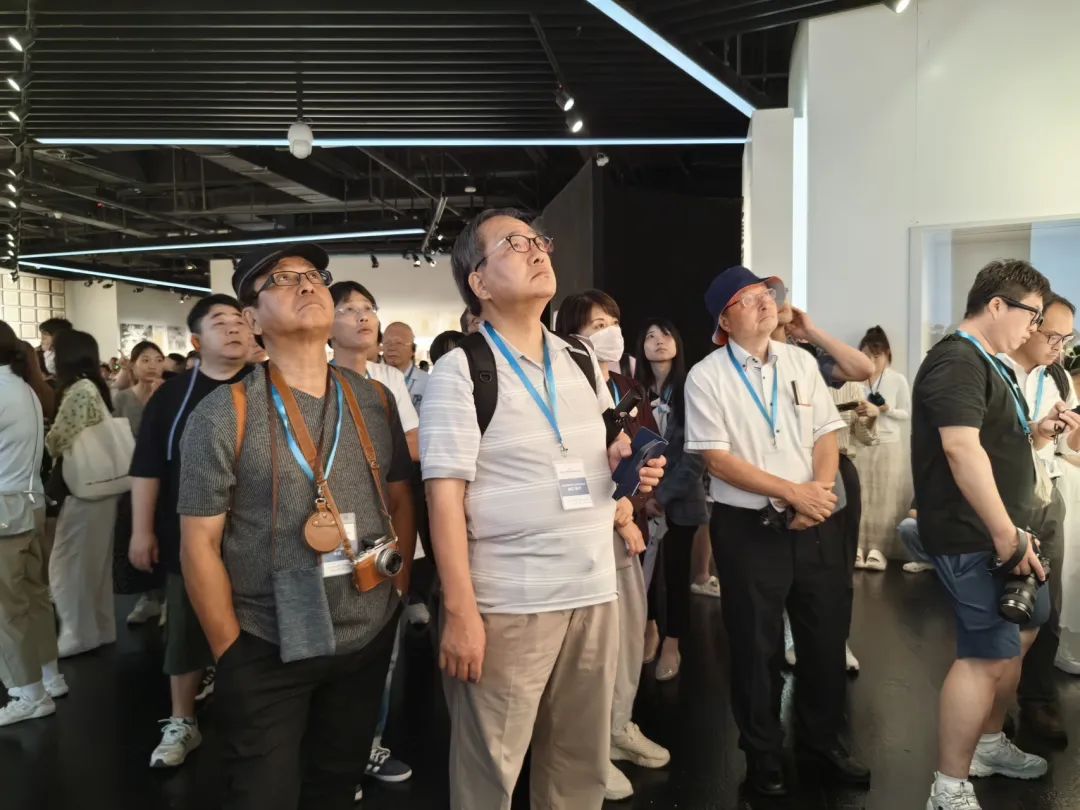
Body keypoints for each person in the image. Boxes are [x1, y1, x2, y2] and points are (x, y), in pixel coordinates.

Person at [422, 208, 664, 810]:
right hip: (511, 603)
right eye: (513, 243)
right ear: (478, 281)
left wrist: (623, 462)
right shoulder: (461, 370)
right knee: (490, 774)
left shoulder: (579, 358)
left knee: (579, 768)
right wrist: (461, 613)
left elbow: (597, 449)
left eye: (538, 241)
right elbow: (443, 499)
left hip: (594, 590)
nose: (536, 251)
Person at [179, 242, 414, 810]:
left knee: (336, 784)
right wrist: (230, 652)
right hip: (267, 643)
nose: (307, 284)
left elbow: (401, 501)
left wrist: (396, 595)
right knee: (263, 793)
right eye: (282, 279)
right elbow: (199, 544)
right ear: (253, 319)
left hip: (365, 635)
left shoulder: (375, 399)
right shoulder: (223, 412)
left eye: (314, 275)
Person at [684, 265, 869, 798]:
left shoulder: (799, 361)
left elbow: (826, 434)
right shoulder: (707, 376)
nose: (765, 301)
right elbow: (717, 460)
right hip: (748, 527)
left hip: (815, 519)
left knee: (825, 636)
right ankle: (762, 754)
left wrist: (819, 493)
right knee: (755, 644)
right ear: (724, 321)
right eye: (747, 299)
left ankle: (822, 743)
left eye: (765, 293)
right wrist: (793, 493)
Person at [912, 260, 1079, 810]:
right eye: (1032, 316)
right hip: (973, 535)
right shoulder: (958, 360)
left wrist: (1035, 431)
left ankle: (986, 743)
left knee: (1027, 624)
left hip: (1005, 531)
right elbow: (961, 450)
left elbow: (992, 439)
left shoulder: (989, 362)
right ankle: (948, 787)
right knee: (984, 654)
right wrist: (1007, 536)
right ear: (997, 305)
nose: (1034, 329)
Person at [127, 294, 253, 768]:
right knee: (185, 628)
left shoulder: (269, 386)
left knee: (259, 631)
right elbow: (148, 467)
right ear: (197, 342)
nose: (234, 327)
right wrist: (141, 531)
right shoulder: (174, 396)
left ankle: (258, 721)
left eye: (239, 320)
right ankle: (182, 719)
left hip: (258, 537)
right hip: (189, 537)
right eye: (220, 322)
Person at [555, 291, 670, 802]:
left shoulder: (626, 387)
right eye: (596, 325)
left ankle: (618, 726)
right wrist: (619, 514)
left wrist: (639, 496)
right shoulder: (565, 386)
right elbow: (571, 464)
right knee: (590, 652)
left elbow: (643, 452)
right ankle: (589, 748)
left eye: (614, 321)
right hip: (585, 531)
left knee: (627, 634)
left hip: (629, 529)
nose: (611, 332)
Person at [327, 282, 422, 789]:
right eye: (348, 309)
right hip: (326, 538)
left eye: (368, 309)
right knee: (327, 652)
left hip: (378, 537)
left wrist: (402, 567)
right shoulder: (312, 382)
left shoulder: (387, 385)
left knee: (380, 652)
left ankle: (367, 744)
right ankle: (331, 757)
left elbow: (405, 466)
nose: (362, 317)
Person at [998, 292, 1079, 743]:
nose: (1059, 347)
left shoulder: (1058, 377)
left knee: (1048, 606)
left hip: (1049, 495)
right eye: (1053, 336)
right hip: (1004, 499)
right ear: (1030, 324)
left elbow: (1066, 448)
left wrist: (1069, 432)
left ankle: (1037, 699)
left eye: (1067, 339)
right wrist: (1037, 433)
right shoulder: (995, 370)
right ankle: (992, 707)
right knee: (1000, 604)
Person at [635, 318, 709, 684]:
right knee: (642, 573)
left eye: (666, 335)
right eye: (650, 336)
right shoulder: (633, 391)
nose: (659, 341)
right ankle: (648, 626)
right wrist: (643, 495)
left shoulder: (691, 390)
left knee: (677, 576)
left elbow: (695, 456)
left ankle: (673, 642)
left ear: (677, 344)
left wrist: (661, 496)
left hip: (681, 500)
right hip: (640, 500)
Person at [0, 322, 67, 727]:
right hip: (29, 504)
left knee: (8, 608)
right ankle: (48, 676)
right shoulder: (24, 387)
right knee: (34, 596)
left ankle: (28, 693)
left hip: (5, 510)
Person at [46, 329, 121, 658]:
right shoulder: (95, 386)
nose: (48, 354)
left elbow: (58, 438)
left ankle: (77, 633)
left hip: (84, 488)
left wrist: (46, 438)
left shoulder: (78, 390)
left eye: (51, 348)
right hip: (102, 485)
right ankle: (100, 628)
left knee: (68, 564)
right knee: (96, 564)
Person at [112, 340, 167, 624]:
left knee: (165, 536)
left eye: (158, 359)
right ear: (133, 365)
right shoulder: (122, 399)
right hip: (132, 479)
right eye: (145, 360)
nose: (152, 365)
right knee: (135, 536)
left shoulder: (169, 394)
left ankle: (167, 598)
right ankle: (148, 598)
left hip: (165, 478)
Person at [852, 326, 912, 571]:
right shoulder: (855, 379)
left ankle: (879, 548)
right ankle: (857, 546)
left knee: (885, 498)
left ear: (887, 355)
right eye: (866, 355)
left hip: (889, 443)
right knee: (861, 495)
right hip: (861, 441)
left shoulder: (897, 379)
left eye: (876, 356)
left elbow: (906, 413)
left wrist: (885, 410)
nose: (872, 361)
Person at [381, 321, 428, 409]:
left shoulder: (427, 382)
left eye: (399, 343)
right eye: (387, 343)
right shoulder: (372, 378)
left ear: (413, 350)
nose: (392, 347)